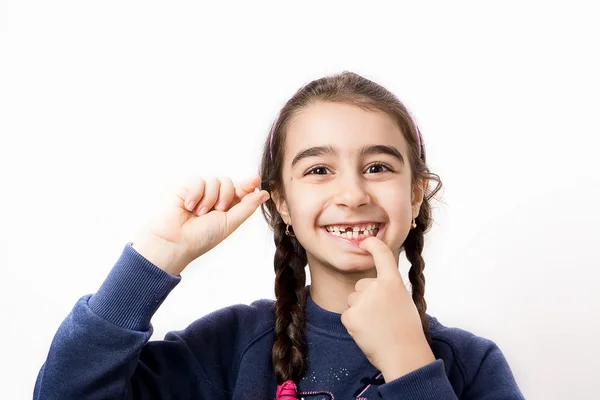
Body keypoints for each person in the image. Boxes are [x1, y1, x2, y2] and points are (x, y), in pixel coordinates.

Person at [34, 71, 525, 399]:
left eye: (377, 167)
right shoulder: (228, 348)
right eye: (318, 170)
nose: (352, 193)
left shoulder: (472, 365)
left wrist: (409, 363)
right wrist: (158, 256)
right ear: (282, 202)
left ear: (416, 194)